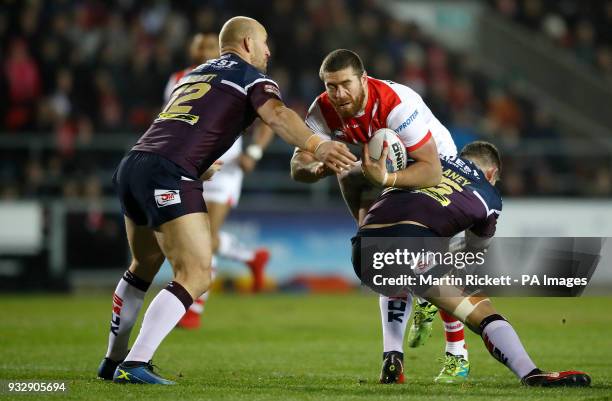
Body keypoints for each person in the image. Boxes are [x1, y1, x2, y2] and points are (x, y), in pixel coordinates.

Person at [97, 16, 356, 385]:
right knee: (197, 273)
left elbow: (180, 125)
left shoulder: (195, 75)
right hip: (169, 172)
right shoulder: (251, 77)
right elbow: (278, 116)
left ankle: (112, 360)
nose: (268, 51)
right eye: (264, 42)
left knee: (143, 266)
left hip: (134, 165)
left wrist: (196, 164)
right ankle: (136, 364)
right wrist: (318, 143)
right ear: (247, 43)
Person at [290, 49, 469, 382]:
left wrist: (386, 180)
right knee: (384, 255)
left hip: (437, 165)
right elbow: (297, 167)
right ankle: (393, 360)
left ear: (363, 79)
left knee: (436, 266)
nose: (338, 94)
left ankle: (457, 354)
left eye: (345, 84)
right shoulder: (323, 110)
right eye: (331, 86)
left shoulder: (394, 104)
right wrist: (318, 167)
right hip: (384, 167)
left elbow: (431, 170)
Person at [353, 140, 591, 387]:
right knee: (481, 311)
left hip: (363, 249)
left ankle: (393, 357)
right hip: (416, 248)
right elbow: (472, 252)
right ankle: (531, 373)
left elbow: (354, 175)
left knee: (396, 280)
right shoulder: (488, 195)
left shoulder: (427, 162)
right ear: (492, 173)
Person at [164, 33, 275, 330]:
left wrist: (253, 150)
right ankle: (252, 257)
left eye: (209, 46)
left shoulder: (241, 76)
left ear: (222, 49)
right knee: (195, 236)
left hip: (224, 167)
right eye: (198, 45)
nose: (203, 50)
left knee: (205, 236)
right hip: (188, 164)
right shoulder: (178, 78)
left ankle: (193, 309)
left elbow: (269, 120)